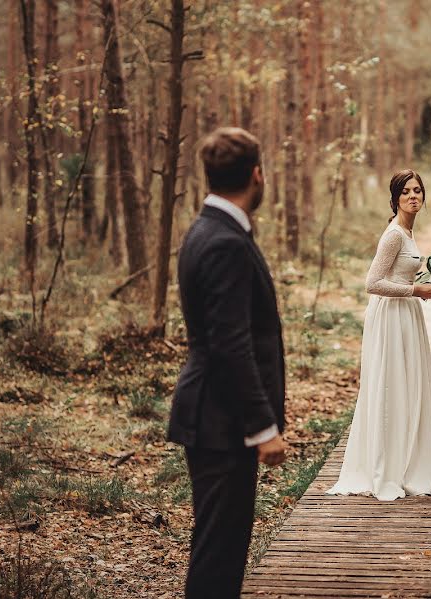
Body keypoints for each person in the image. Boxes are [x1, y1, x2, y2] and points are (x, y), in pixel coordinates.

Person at [167, 127, 287, 598]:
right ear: (257, 175)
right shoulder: (224, 242)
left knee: (219, 547)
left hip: (217, 415)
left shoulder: (208, 229)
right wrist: (263, 427)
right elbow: (230, 343)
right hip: (222, 420)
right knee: (219, 555)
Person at [326, 169, 431, 501]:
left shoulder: (407, 232)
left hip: (407, 315)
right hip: (391, 317)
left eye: (418, 191)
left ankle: (407, 462)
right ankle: (387, 468)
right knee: (392, 386)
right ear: (395, 199)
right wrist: (413, 289)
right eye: (406, 191)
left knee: (409, 386)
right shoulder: (394, 234)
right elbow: (372, 283)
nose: (413, 196)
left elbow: (400, 272)